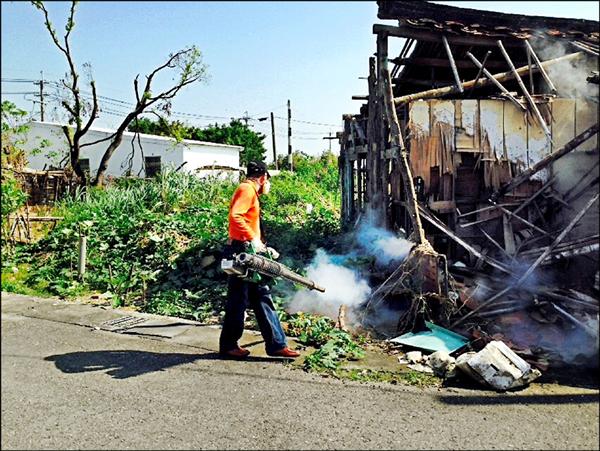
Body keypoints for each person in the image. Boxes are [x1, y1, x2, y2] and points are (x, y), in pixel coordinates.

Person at [219, 161, 301, 359]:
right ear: (263, 177)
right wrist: (252, 239)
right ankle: (230, 345)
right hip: (242, 250)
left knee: (261, 296)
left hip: (250, 250)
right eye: (268, 181)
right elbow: (235, 216)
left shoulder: (249, 191)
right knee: (239, 300)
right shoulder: (246, 189)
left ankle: (276, 345)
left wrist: (261, 244)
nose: (268, 186)